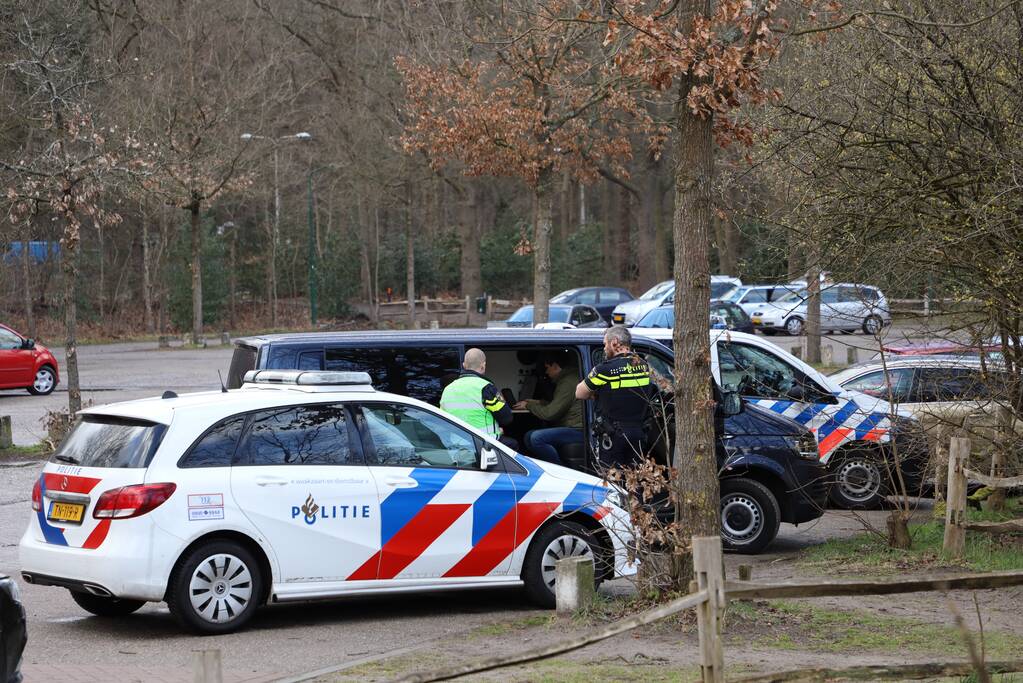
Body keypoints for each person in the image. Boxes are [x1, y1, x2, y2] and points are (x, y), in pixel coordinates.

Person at [575, 325, 654, 469]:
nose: (604, 348)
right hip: (638, 435)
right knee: (635, 480)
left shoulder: (604, 369)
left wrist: (598, 394)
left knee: (612, 482)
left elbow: (579, 393)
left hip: (613, 437)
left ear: (615, 342)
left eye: (605, 344)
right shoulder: (643, 366)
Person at [515, 350, 583, 465]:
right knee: (528, 436)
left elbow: (550, 414)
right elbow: (559, 404)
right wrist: (538, 402)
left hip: (577, 429)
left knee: (536, 438)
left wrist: (528, 405)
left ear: (555, 366)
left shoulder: (567, 382)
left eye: (547, 368)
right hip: (572, 427)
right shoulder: (568, 378)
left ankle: (559, 470)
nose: (546, 372)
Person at [440, 347, 516, 449]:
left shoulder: (448, 389)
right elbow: (507, 418)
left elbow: (443, 421)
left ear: (464, 365)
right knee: (513, 444)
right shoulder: (486, 388)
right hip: (484, 444)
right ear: (483, 366)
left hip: (457, 446)